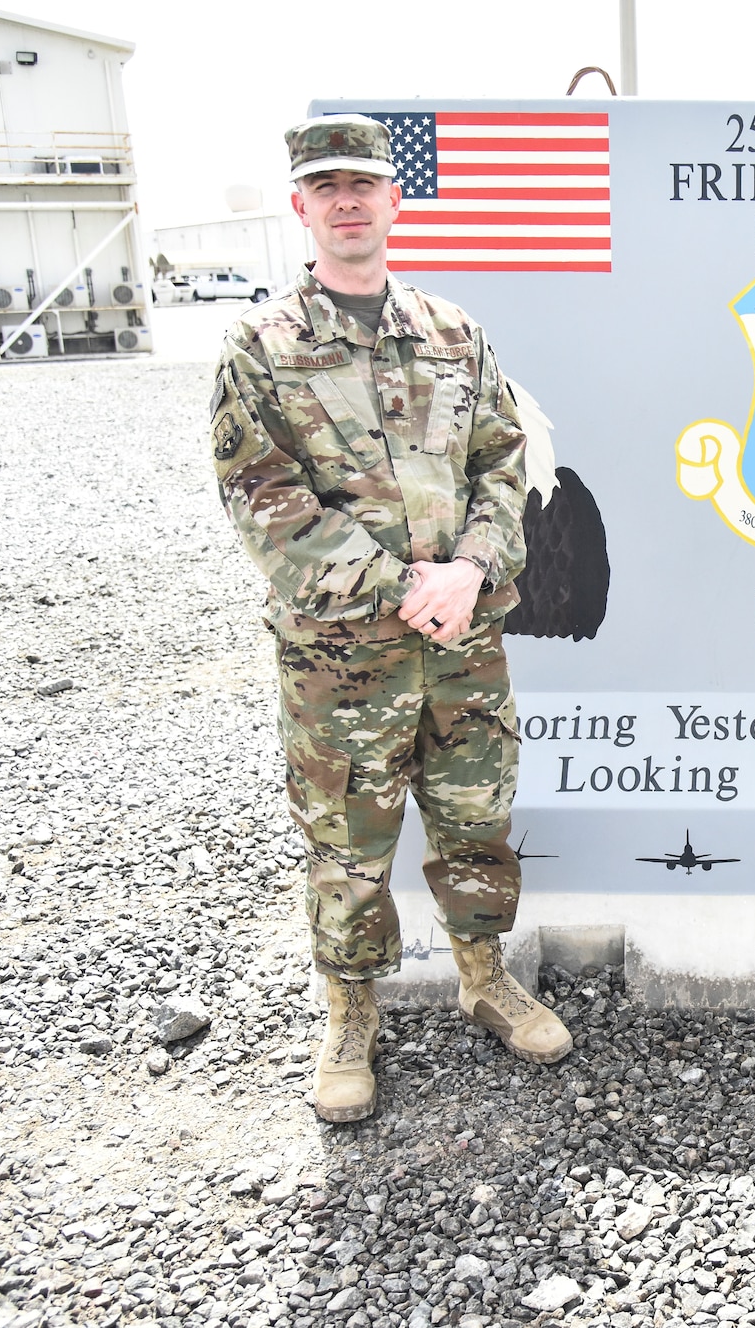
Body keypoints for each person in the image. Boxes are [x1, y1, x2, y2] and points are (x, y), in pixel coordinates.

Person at [210, 115, 571, 1123]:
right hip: (343, 661)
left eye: (362, 182)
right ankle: (350, 1015)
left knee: (473, 822)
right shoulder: (261, 346)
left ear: (393, 199)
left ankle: (483, 978)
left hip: (463, 644)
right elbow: (262, 497)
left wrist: (470, 569)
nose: (347, 200)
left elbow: (505, 463)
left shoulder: (454, 334)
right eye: (325, 186)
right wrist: (400, 586)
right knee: (347, 844)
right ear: (301, 206)